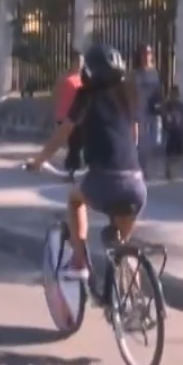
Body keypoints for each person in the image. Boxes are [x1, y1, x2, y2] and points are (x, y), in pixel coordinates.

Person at [24, 43, 145, 289]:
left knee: (75, 199)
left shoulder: (86, 96)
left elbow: (63, 132)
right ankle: (134, 300)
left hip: (105, 179)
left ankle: (79, 261)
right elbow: (134, 134)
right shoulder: (127, 93)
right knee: (122, 243)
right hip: (136, 182)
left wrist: (39, 160)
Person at [130, 45, 163, 178]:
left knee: (155, 140)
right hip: (140, 110)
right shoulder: (135, 73)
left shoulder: (154, 72)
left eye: (149, 53)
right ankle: (142, 169)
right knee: (142, 142)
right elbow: (131, 92)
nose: (146, 56)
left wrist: (160, 104)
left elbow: (158, 90)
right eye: (144, 53)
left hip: (153, 109)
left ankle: (142, 165)